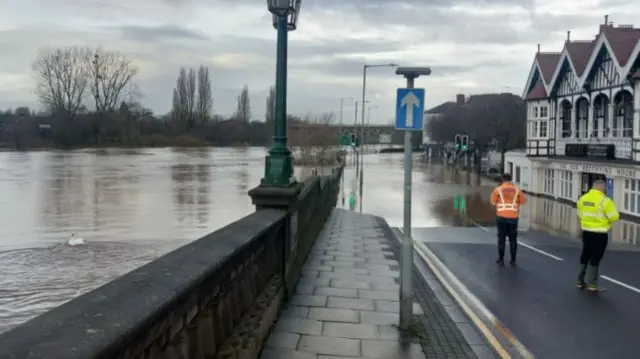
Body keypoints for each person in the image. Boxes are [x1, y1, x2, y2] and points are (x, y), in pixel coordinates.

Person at [576, 179, 619, 291]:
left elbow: (579, 213)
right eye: (604, 187)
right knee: (596, 257)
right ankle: (592, 284)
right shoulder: (605, 201)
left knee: (585, 254)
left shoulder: (583, 198)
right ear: (601, 187)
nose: (605, 189)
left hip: (586, 232)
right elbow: (614, 216)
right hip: (600, 234)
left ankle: (580, 281)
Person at [490, 173, 527, 266]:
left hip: (501, 217)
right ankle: (513, 260)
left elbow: (493, 202)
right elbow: (523, 201)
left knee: (501, 239)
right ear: (511, 180)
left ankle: (501, 260)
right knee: (513, 240)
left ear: (502, 179)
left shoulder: (498, 190)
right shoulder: (517, 190)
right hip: (513, 218)